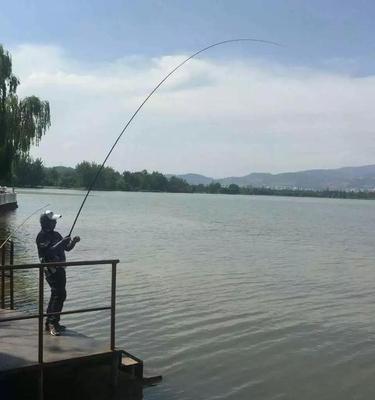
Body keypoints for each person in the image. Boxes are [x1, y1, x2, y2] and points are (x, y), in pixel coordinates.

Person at [36, 210, 80, 336]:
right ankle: (51, 323)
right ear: (46, 222)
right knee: (58, 294)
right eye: (53, 221)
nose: (55, 223)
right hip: (51, 271)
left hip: (60, 269)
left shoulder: (56, 234)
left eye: (55, 221)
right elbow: (49, 252)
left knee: (59, 294)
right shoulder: (42, 236)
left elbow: (67, 248)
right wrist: (62, 242)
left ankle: (52, 322)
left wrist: (73, 242)